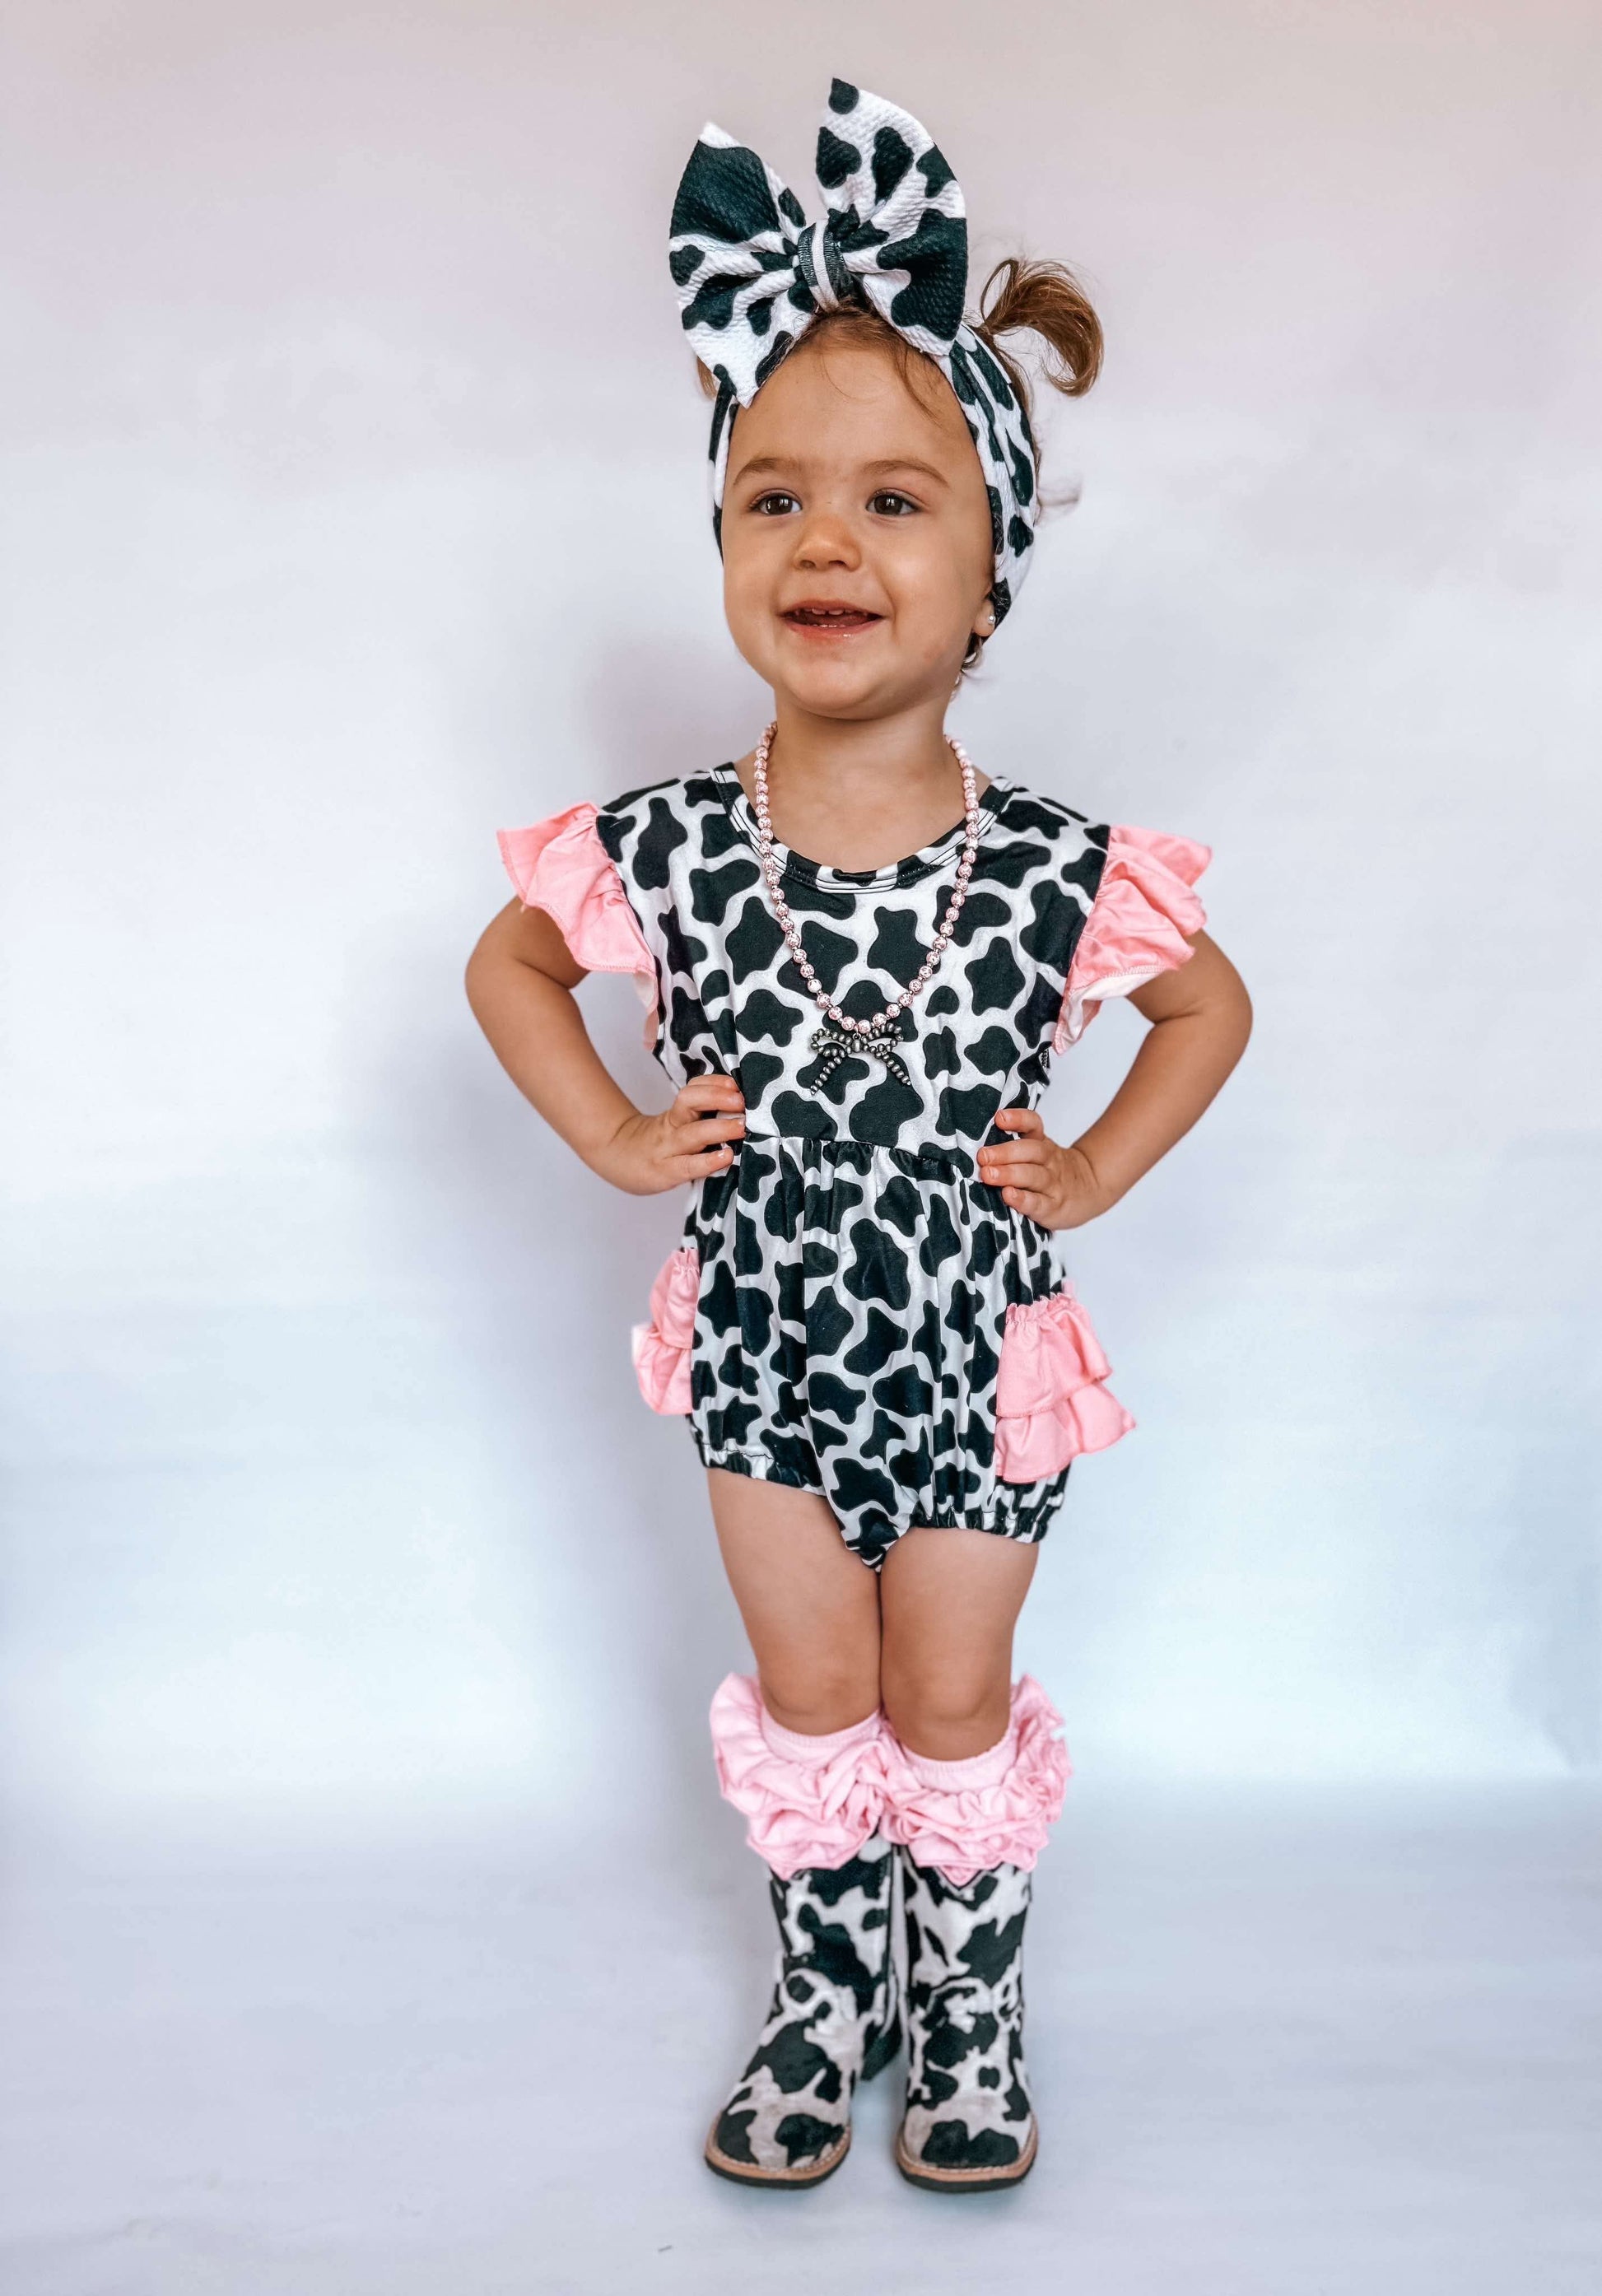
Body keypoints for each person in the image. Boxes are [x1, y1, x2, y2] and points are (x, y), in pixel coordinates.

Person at [466, 82, 1251, 2194]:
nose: (826, 541)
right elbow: (510, 968)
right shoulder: (661, 845)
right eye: (773, 498)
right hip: (763, 1351)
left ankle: (967, 1999)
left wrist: (1094, 1169)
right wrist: (617, 1135)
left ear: (989, 572)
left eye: (894, 501)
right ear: (724, 545)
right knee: (812, 1682)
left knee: (948, 1689)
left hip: (978, 1361)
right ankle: (829, 1993)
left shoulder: (1059, 865)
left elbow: (1206, 1010)